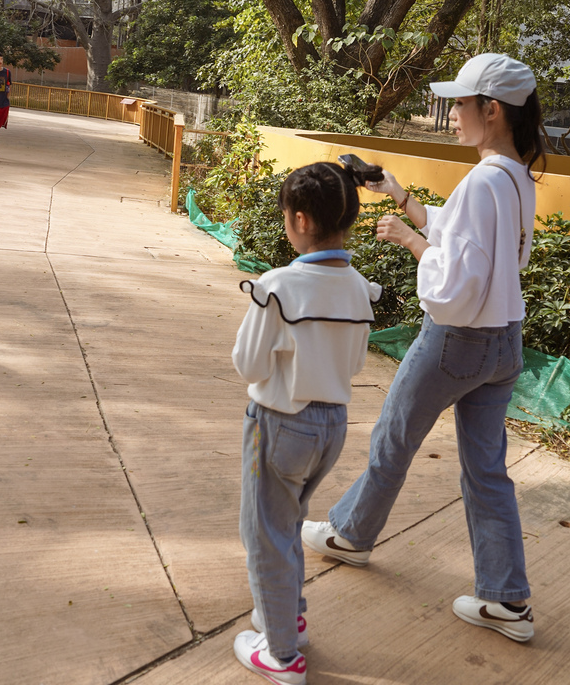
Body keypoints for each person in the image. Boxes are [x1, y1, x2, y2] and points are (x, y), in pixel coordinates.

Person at [301, 53, 545, 644]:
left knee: (394, 435)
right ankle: (507, 597)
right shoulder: (515, 175)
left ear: (491, 110)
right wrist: (402, 197)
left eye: (460, 103)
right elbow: (491, 253)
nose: (451, 112)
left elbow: (454, 285)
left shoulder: (483, 179)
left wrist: (411, 240)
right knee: (487, 471)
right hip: (503, 343)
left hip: (457, 341)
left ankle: (351, 535)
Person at [232, 161, 384, 685]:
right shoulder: (361, 288)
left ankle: (281, 655)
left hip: (279, 424)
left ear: (298, 219)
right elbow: (358, 363)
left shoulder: (278, 285)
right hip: (331, 426)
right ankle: (287, 618)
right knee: (288, 523)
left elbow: (249, 364)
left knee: (264, 532)